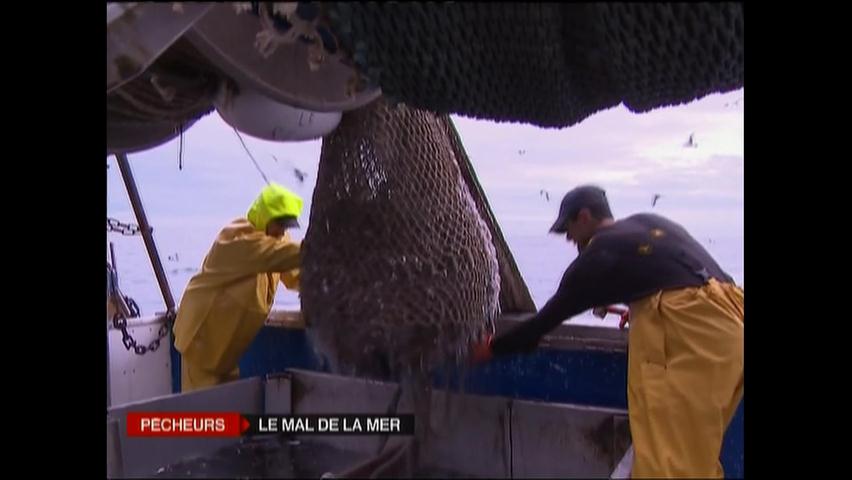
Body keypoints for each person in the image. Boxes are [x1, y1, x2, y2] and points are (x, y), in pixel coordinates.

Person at [472, 185, 743, 478]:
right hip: (731, 317)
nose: (569, 240)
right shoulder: (649, 222)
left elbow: (544, 322)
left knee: (670, 465)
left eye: (568, 230)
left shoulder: (597, 255)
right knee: (695, 451)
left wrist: (494, 348)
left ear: (584, 217)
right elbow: (687, 278)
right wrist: (643, 307)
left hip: (691, 331)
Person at [173, 183, 303, 392]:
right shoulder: (237, 239)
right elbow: (281, 254)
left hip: (226, 346)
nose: (282, 230)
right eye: (279, 223)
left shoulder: (276, 240)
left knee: (226, 402)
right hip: (201, 340)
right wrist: (323, 247)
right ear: (264, 217)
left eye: (286, 226)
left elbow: (295, 274)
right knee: (202, 409)